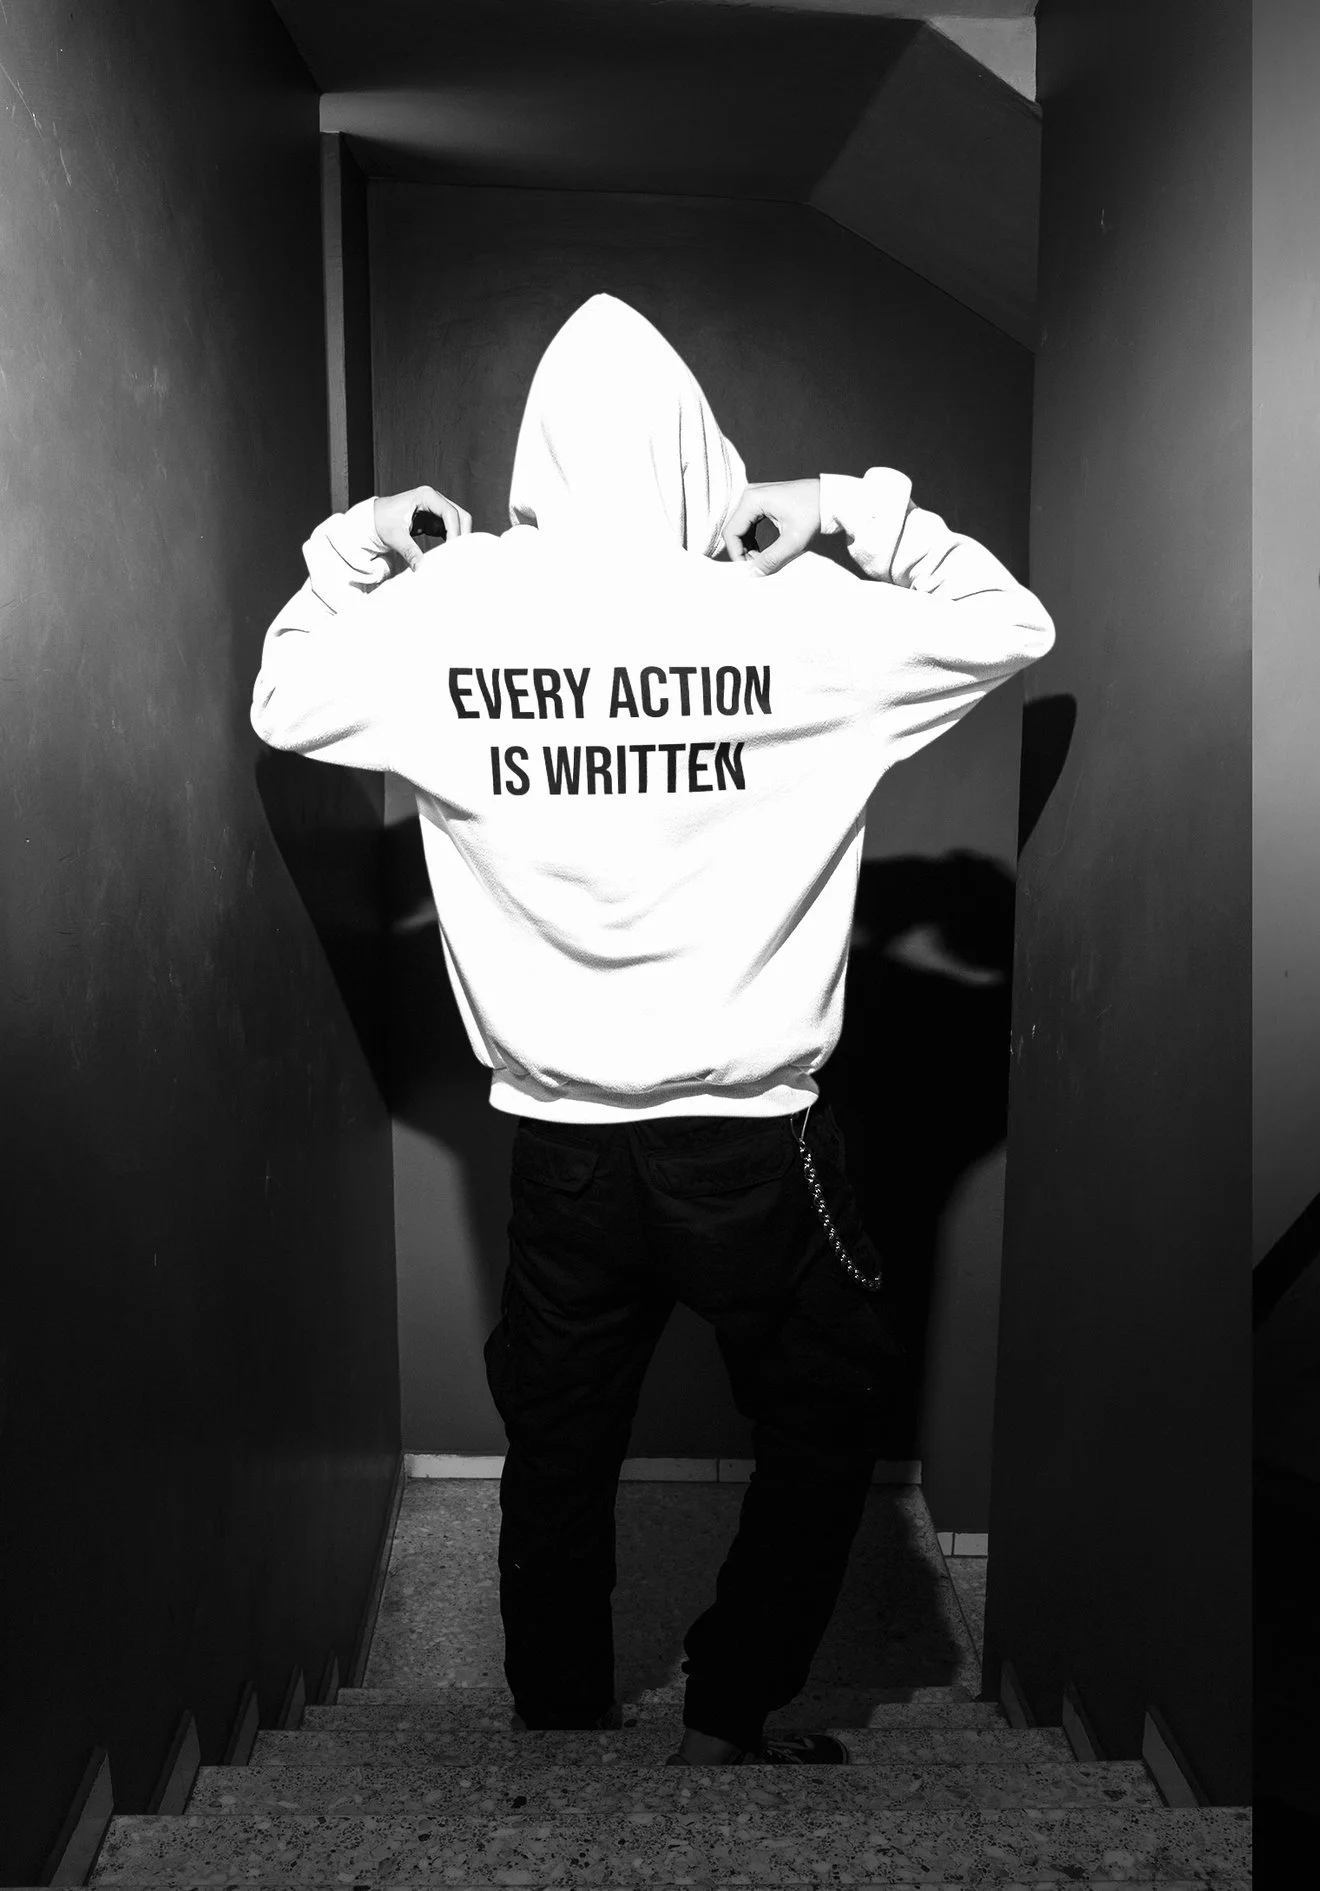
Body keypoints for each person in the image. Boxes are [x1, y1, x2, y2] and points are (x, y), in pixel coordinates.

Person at [250, 294, 1052, 1760]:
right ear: (700, 454)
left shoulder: (449, 613)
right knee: (821, 1423)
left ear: (531, 458)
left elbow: (284, 695)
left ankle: (556, 1703)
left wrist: (364, 540)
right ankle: (737, 1700)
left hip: (561, 1153)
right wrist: (838, 508)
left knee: (560, 1438)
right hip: (762, 1148)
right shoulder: (790, 615)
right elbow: (1012, 624)